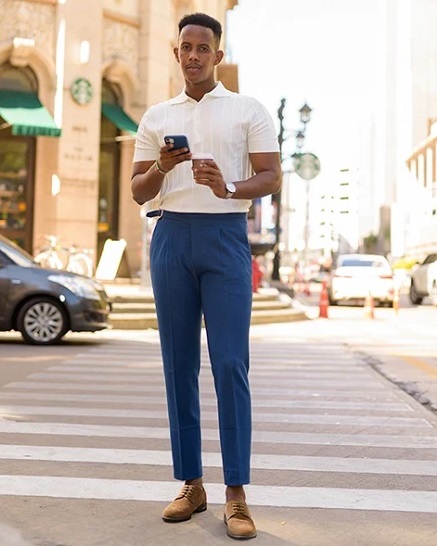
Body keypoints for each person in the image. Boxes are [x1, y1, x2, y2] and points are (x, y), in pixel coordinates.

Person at [131, 12, 281, 541]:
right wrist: (163, 167)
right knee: (178, 366)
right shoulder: (155, 117)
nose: (193, 55)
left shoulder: (249, 110)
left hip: (224, 239)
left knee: (230, 365)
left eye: (203, 48)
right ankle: (191, 484)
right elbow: (138, 191)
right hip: (170, 239)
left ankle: (236, 494)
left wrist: (229, 187)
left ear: (218, 55)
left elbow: (270, 176)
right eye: (185, 47)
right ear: (176, 54)